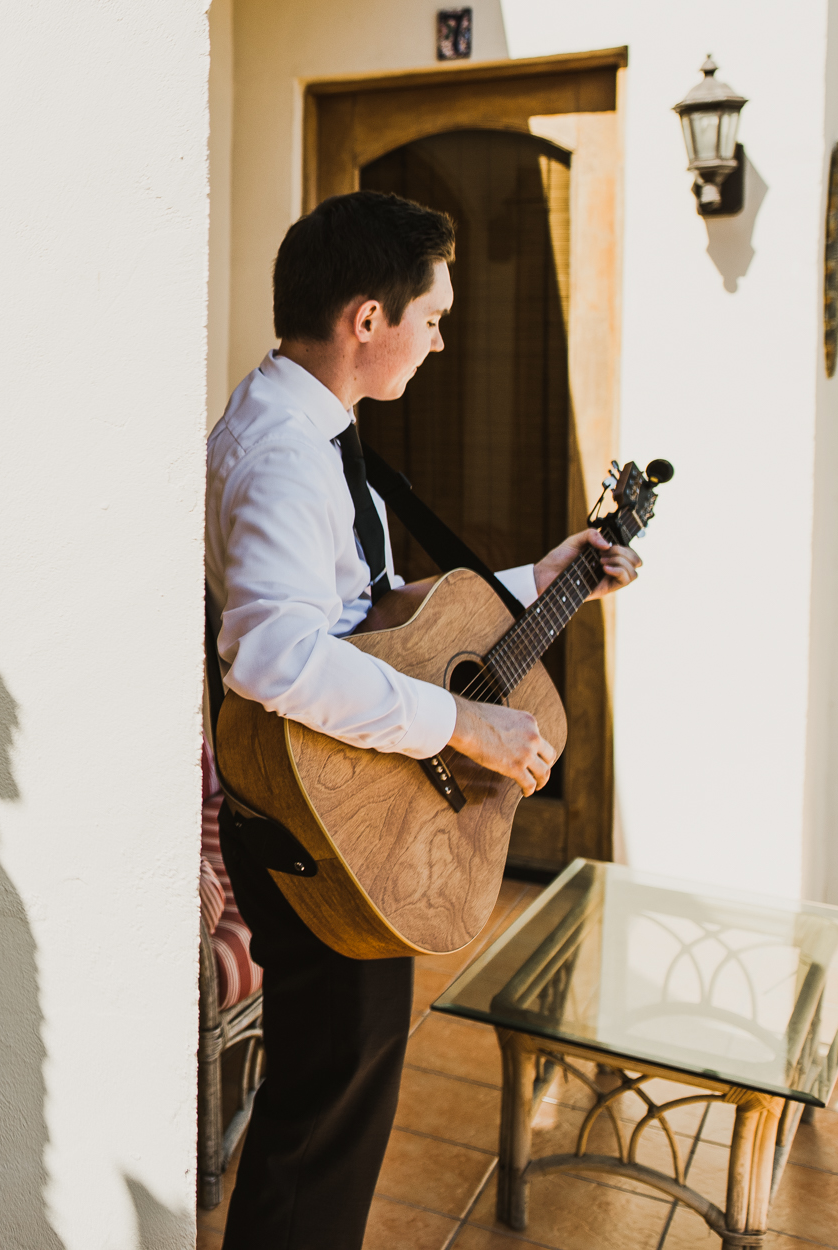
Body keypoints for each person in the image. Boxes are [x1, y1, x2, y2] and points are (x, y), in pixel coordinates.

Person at [205, 189, 641, 1249]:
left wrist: (542, 577)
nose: (440, 341)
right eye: (433, 317)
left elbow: (376, 617)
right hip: (314, 822)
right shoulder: (284, 455)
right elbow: (271, 655)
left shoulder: (316, 430)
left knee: (335, 1104)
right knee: (327, 1116)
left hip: (342, 809)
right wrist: (459, 723)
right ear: (367, 319)